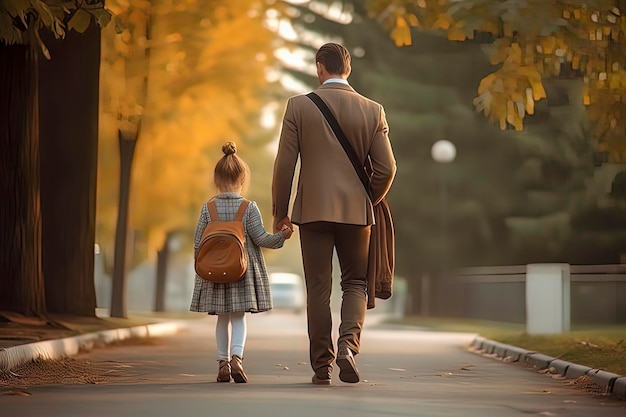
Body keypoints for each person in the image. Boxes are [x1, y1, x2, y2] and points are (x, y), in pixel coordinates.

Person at [272, 43, 396, 385]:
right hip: (357, 214)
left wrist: (280, 213)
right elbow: (387, 168)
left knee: (318, 289)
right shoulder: (373, 110)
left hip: (312, 213)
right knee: (355, 282)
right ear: (348, 69)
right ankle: (348, 349)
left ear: (319, 68)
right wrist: (366, 198)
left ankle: (322, 366)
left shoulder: (298, 107)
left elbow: (284, 166)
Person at [190, 141, 293, 383]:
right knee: (238, 317)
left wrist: (203, 265)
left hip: (214, 273)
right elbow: (262, 239)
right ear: (242, 179)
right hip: (241, 271)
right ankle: (237, 358)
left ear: (217, 179)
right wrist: (283, 236)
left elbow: (197, 242)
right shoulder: (248, 208)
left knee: (222, 319)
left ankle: (222, 363)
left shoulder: (208, 208)